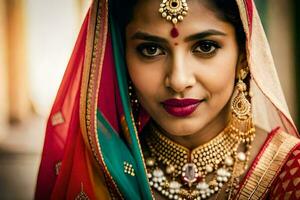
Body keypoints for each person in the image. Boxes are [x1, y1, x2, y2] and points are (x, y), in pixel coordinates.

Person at [35, 0, 300, 199]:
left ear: (244, 54)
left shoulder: (290, 171)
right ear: (120, 57)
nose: (178, 79)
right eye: (151, 49)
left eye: (205, 47)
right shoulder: (98, 170)